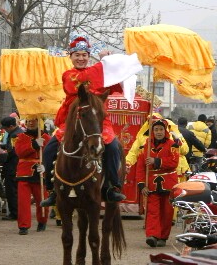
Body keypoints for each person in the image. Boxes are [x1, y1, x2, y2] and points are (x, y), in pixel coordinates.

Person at [40, 32, 141, 206]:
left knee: (113, 146)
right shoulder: (69, 75)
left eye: (84, 55)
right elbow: (81, 82)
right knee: (49, 149)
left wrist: (115, 68)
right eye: (77, 55)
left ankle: (111, 186)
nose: (81, 58)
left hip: (98, 120)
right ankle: (51, 189)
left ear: (89, 56)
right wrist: (103, 64)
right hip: (73, 119)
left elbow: (115, 82)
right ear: (71, 57)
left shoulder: (98, 73)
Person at [136, 119, 180, 248]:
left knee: (167, 212)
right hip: (151, 184)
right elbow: (140, 168)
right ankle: (153, 236)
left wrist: (156, 161)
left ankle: (163, 237)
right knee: (152, 211)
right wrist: (141, 184)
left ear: (165, 131)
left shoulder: (173, 145)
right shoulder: (144, 147)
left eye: (161, 129)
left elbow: (174, 162)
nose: (158, 132)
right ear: (152, 132)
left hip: (168, 183)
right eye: (156, 130)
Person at [15, 117, 51, 235]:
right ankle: (23, 226)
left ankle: (42, 221)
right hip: (24, 173)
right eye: (28, 121)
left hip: (40, 172)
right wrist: (34, 144)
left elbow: (52, 155)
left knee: (42, 199)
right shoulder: (21, 137)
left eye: (34, 120)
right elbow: (20, 152)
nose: (30, 122)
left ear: (40, 122)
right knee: (23, 202)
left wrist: (46, 166)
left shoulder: (47, 138)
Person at [0, 116, 24, 220]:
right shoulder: (18, 132)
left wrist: (2, 154)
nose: (5, 130)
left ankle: (14, 213)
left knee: (12, 191)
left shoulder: (15, 135)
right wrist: (3, 146)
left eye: (5, 128)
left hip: (13, 166)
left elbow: (13, 151)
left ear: (11, 126)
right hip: (16, 166)